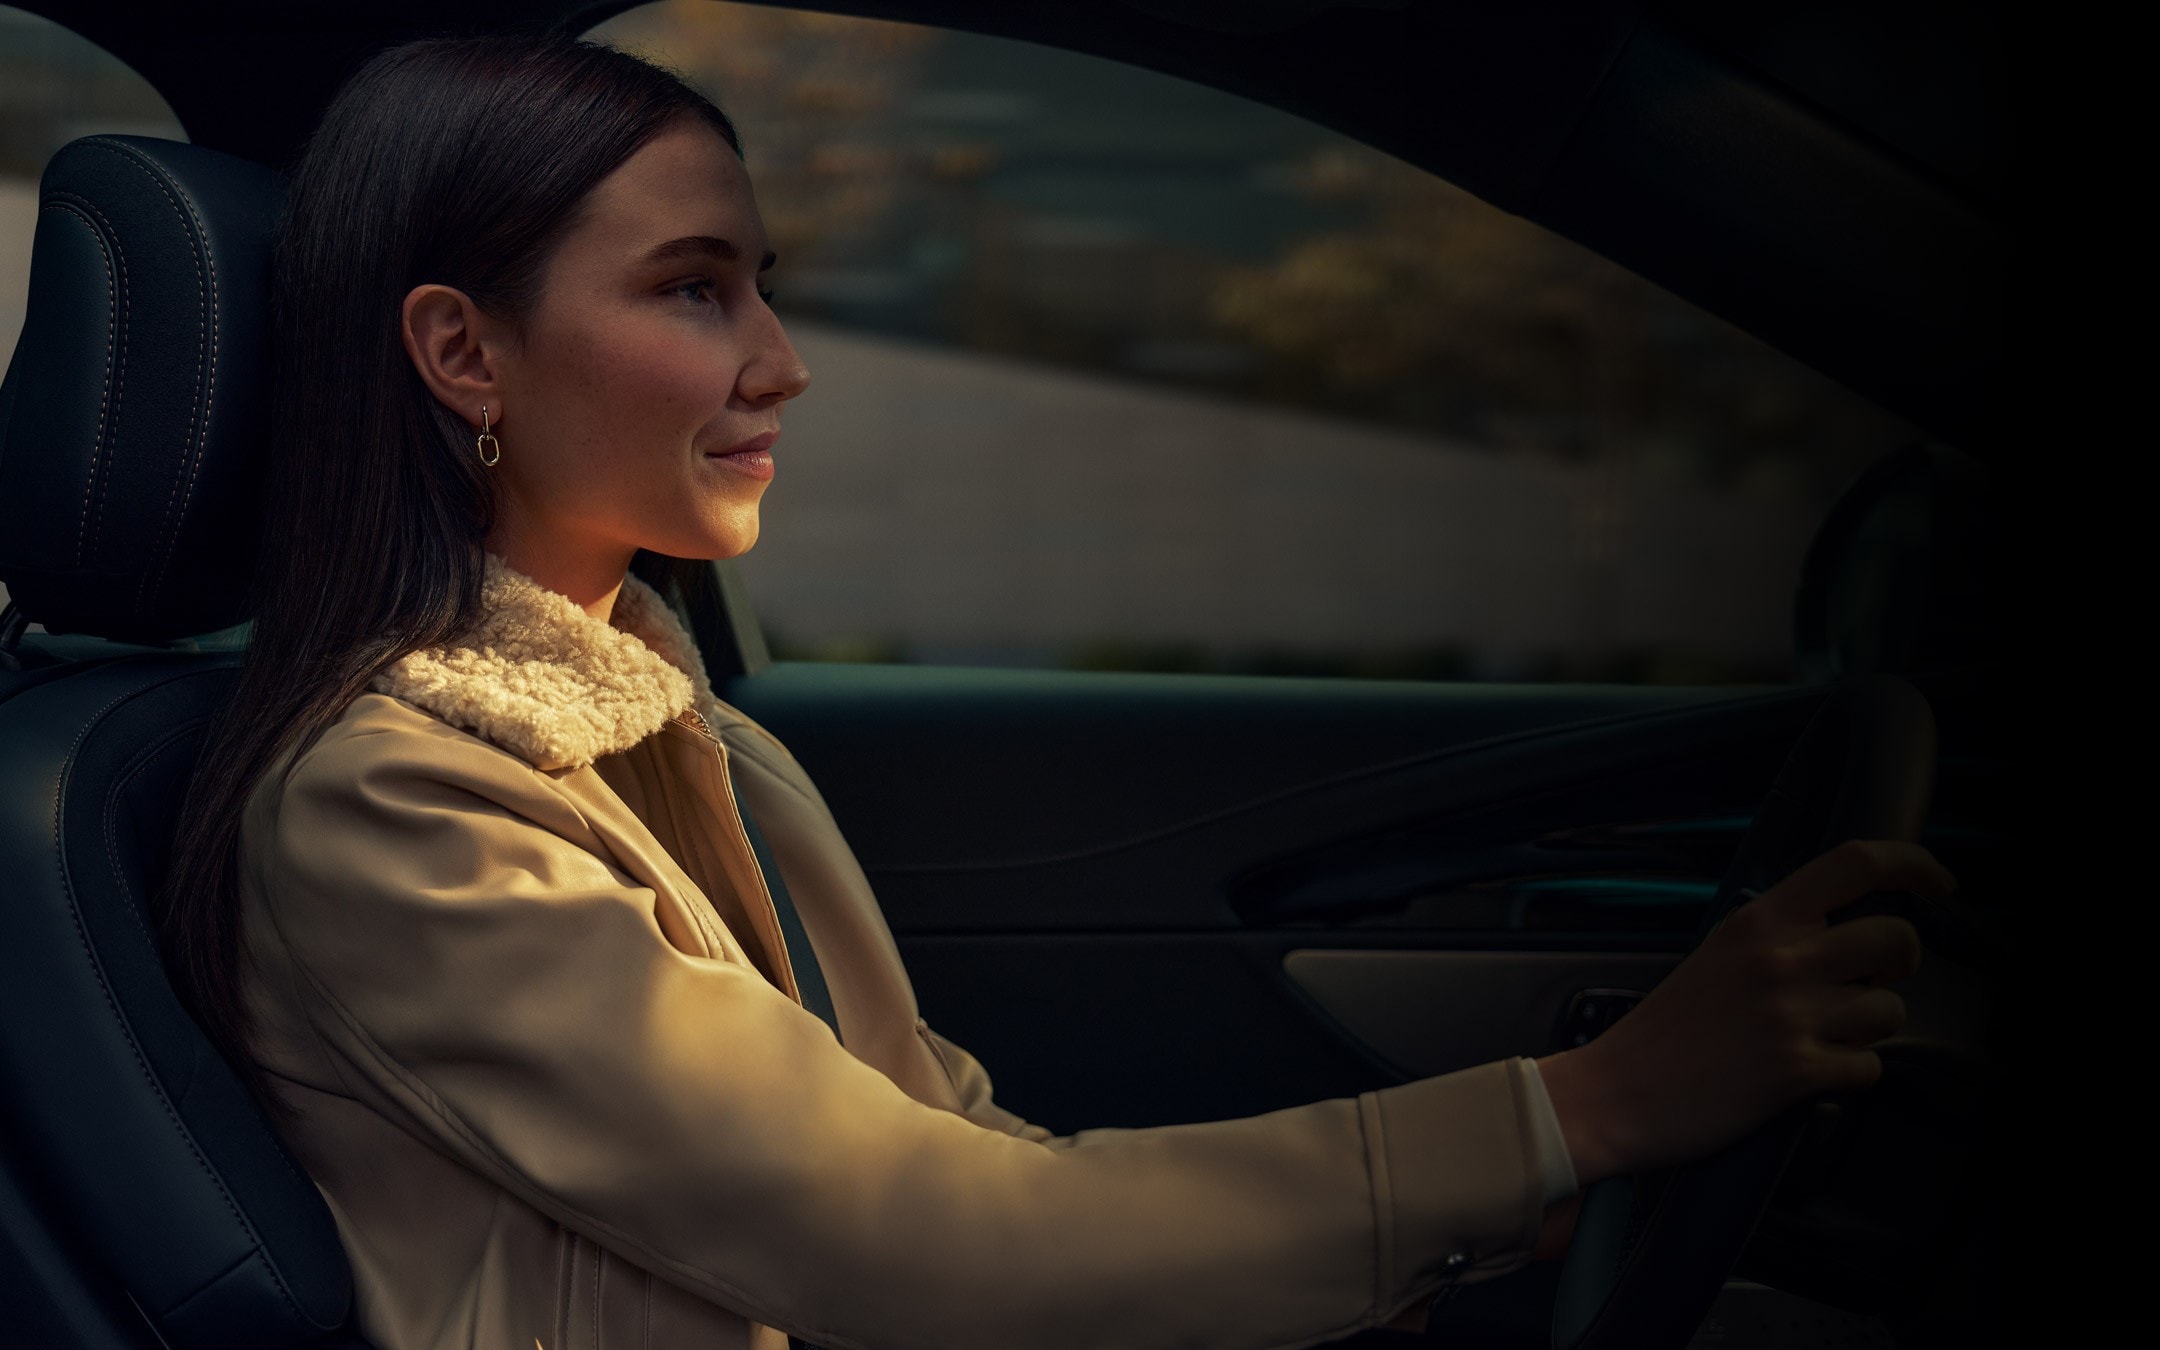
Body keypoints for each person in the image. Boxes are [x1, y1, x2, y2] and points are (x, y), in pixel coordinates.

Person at [155, 32, 1950, 1350]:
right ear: (463, 348)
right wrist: (1592, 1111)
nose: (779, 362)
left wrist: (1445, 1235)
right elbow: (915, 1235)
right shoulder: (389, 803)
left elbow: (945, 1138)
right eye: (694, 291)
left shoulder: (688, 735)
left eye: (760, 287)